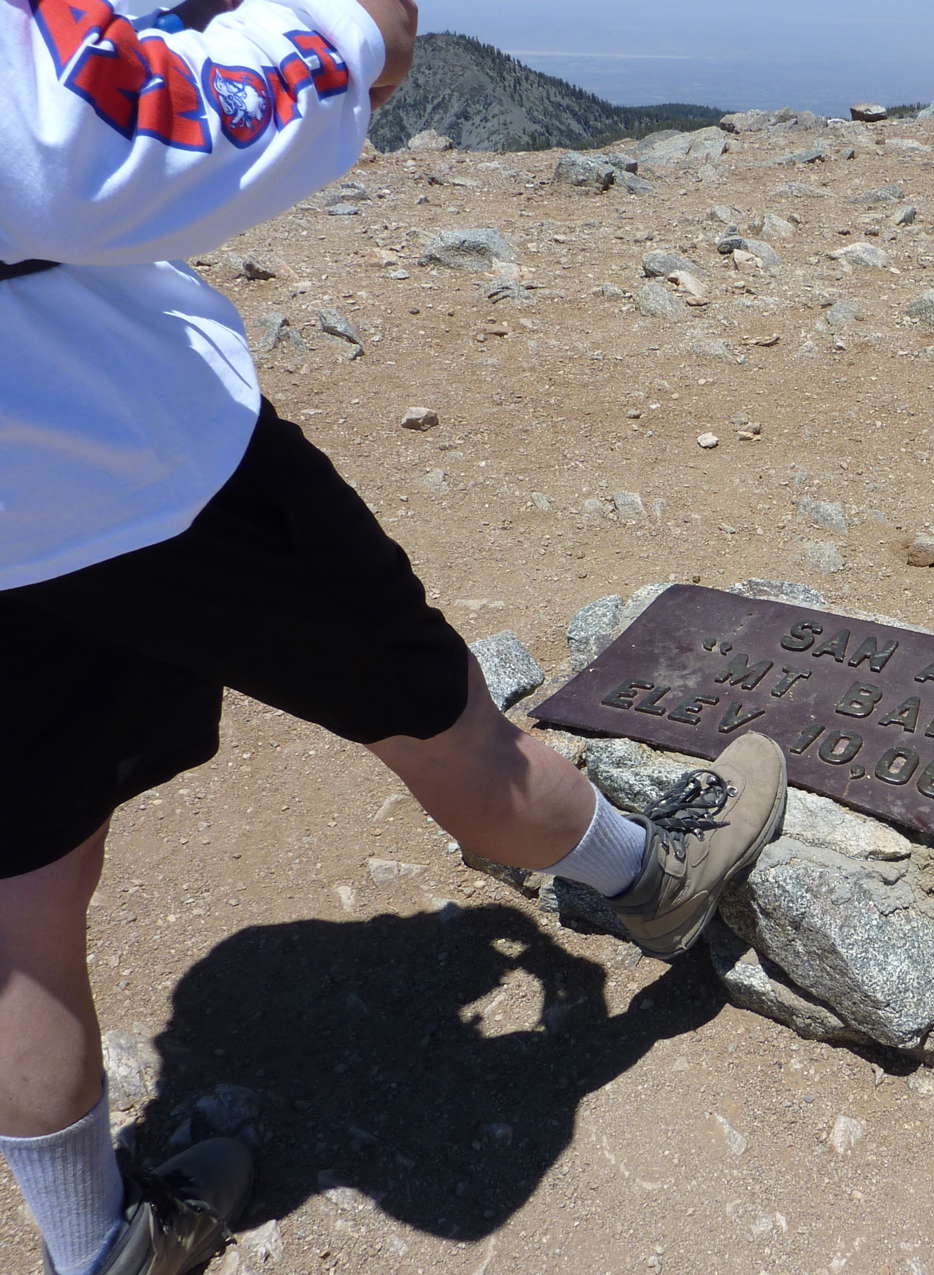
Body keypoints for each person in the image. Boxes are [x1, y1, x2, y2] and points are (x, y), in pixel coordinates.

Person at [0, 3, 788, 1273]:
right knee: (441, 721)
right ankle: (650, 876)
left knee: (18, 899)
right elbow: (83, 137)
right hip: (134, 459)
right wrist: (348, 29)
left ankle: (99, 1249)